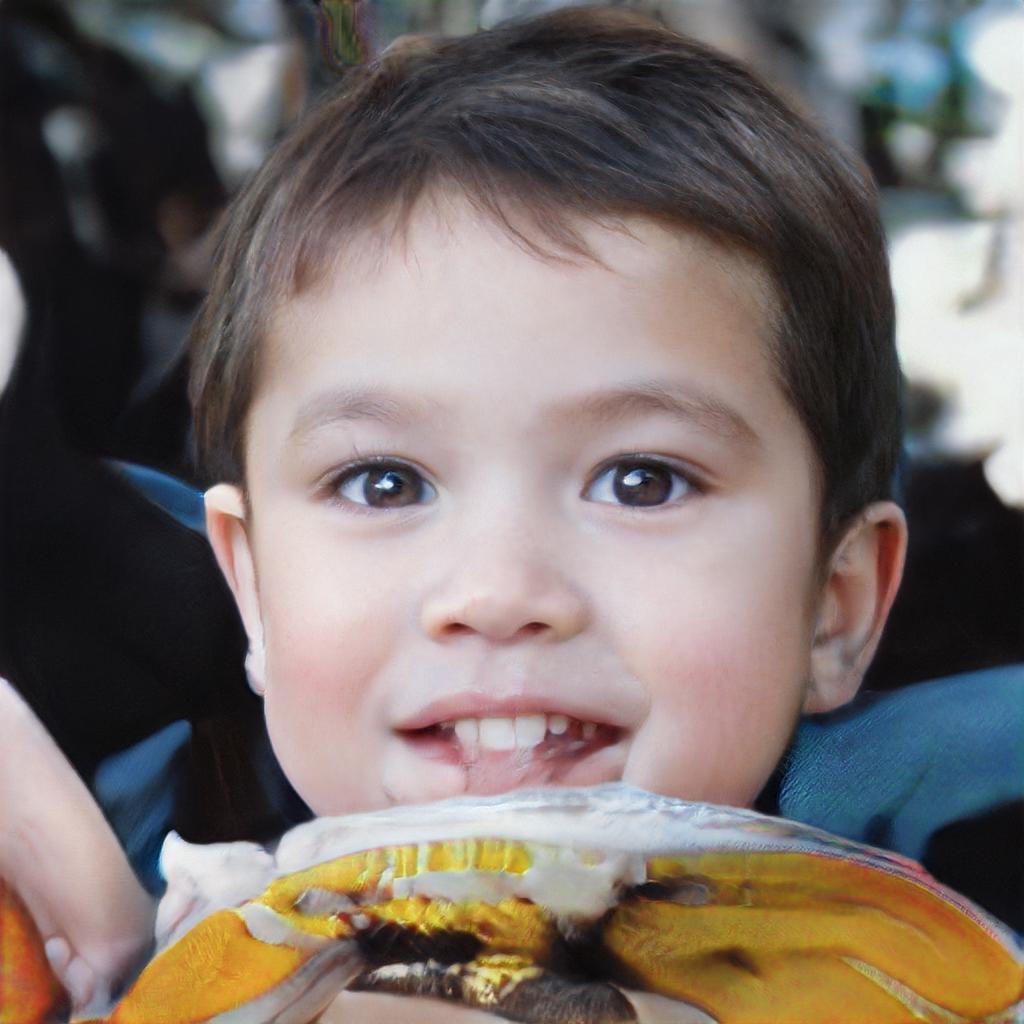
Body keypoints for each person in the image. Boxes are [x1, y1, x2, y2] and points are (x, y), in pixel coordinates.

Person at [1, 7, 910, 1020]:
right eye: (384, 483)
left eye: (641, 480)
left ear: (833, 607)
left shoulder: (923, 982)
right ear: (252, 591)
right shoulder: (182, 950)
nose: (498, 592)